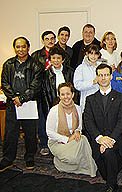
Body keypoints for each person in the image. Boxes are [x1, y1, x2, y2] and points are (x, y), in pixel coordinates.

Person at [83, 64, 122, 192]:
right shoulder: (90, 99)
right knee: (105, 172)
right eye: (100, 75)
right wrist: (100, 139)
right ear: (97, 78)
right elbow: (88, 121)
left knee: (109, 155)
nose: (103, 78)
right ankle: (111, 176)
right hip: (98, 141)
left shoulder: (121, 98)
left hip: (116, 141)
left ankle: (111, 185)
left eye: (106, 75)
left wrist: (110, 140)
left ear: (111, 77)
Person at [0, 37, 43, 171]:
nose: (21, 49)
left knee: (30, 132)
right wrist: (14, 98)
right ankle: (8, 159)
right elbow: (5, 83)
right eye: (18, 47)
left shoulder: (36, 65)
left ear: (28, 47)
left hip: (29, 103)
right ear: (15, 48)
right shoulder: (8, 64)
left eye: (23, 46)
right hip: (13, 104)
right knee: (10, 132)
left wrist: (22, 98)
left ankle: (30, 157)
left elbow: (36, 85)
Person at [46, 82, 97, 177]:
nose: (66, 97)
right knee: (73, 158)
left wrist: (77, 131)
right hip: (57, 142)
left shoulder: (78, 108)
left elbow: (79, 127)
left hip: (72, 138)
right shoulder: (54, 110)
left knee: (84, 140)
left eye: (68, 94)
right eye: (62, 94)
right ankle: (59, 163)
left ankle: (89, 169)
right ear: (59, 96)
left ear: (72, 94)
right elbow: (49, 132)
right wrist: (66, 140)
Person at [32, 30, 56, 156]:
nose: (50, 41)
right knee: (43, 119)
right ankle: (44, 144)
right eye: (47, 39)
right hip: (41, 92)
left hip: (56, 93)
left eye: (52, 38)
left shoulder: (60, 54)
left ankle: (57, 143)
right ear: (43, 40)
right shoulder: (36, 56)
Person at [42, 46, 75, 119]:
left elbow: (74, 91)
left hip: (69, 104)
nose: (56, 60)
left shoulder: (70, 72)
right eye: (53, 58)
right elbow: (45, 95)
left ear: (63, 60)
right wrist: (49, 111)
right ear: (50, 59)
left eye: (58, 58)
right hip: (53, 107)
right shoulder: (46, 74)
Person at [73, 44, 102, 112]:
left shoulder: (102, 67)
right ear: (87, 54)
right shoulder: (81, 68)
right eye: (91, 53)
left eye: (96, 54)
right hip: (87, 101)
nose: (93, 56)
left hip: (101, 101)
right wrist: (92, 82)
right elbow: (77, 85)